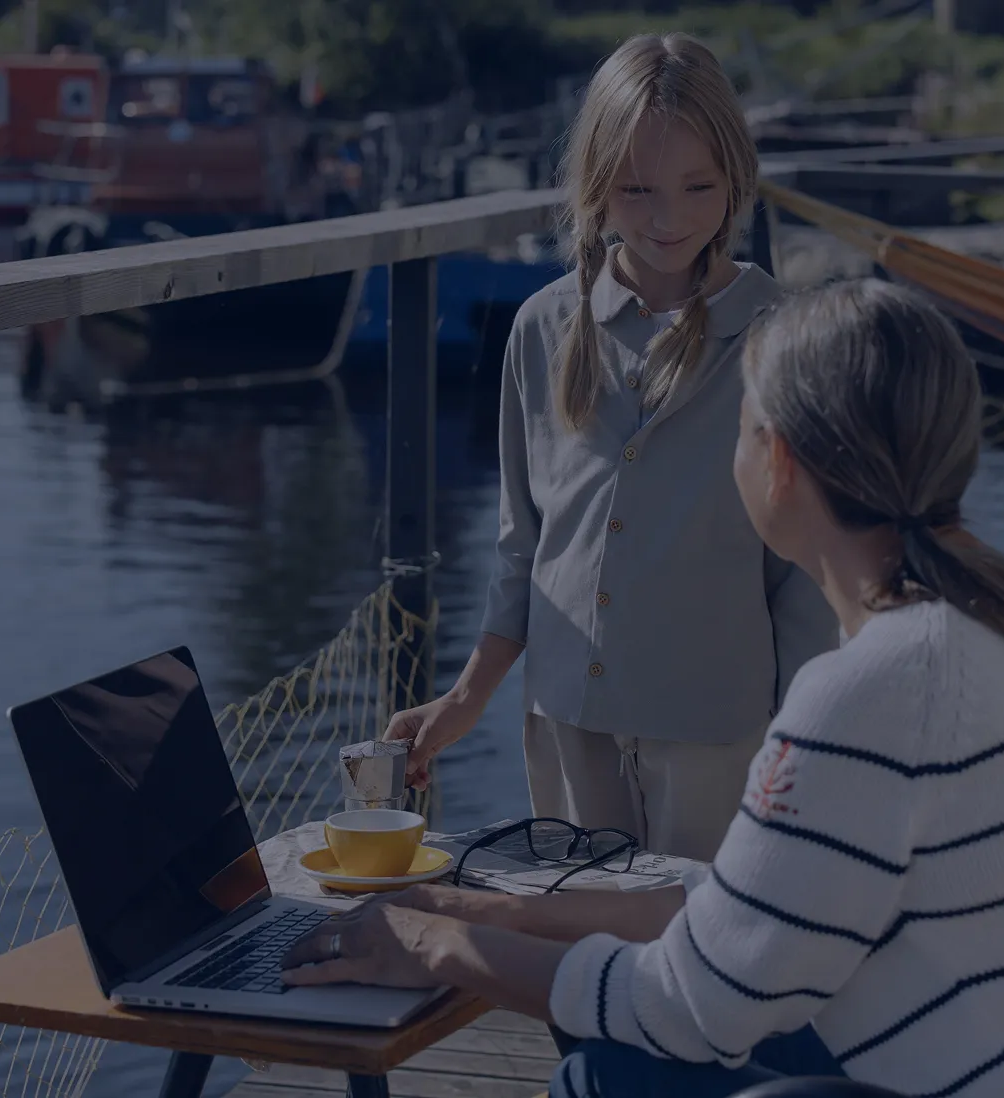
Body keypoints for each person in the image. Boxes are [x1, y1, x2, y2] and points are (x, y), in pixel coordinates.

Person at [283, 279, 1004, 1098]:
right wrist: (492, 912)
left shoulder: (867, 695)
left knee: (604, 1070)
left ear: (776, 463)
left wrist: (431, 949)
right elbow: (768, 904)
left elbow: (684, 1009)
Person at [382, 33, 836, 861]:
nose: (669, 218)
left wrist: (803, 743)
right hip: (564, 725)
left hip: (717, 734)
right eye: (635, 189)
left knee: (699, 960)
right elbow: (523, 548)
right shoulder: (539, 329)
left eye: (698, 186)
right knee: (578, 957)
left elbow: (805, 579)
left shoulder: (787, 343)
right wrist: (465, 696)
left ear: (736, 178)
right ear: (595, 185)